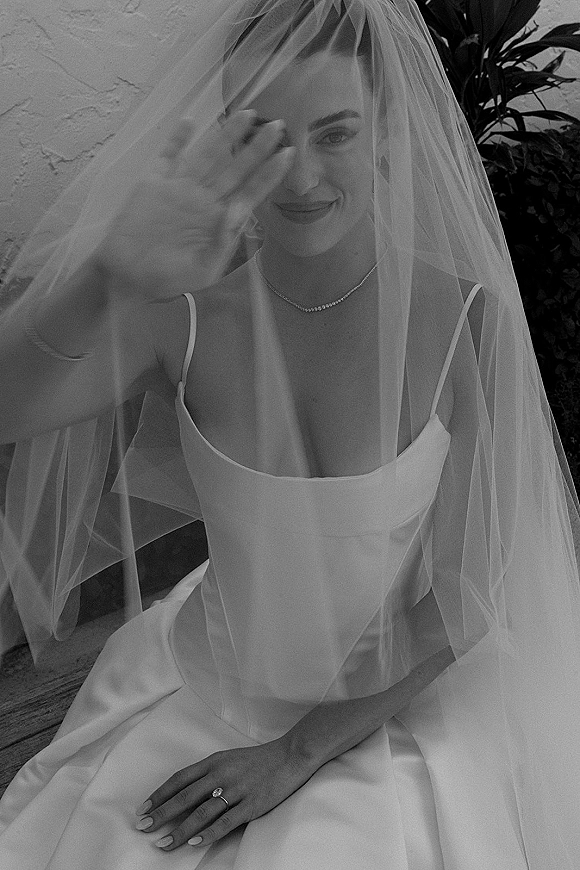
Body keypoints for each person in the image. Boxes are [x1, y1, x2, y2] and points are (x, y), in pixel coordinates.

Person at [1, 0, 580, 867]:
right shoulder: (185, 314)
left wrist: (296, 754)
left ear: (388, 128)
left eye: (336, 133)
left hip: (400, 706)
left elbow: (464, 591)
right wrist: (103, 280)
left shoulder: (469, 323)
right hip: (210, 691)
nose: (301, 178)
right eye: (266, 137)